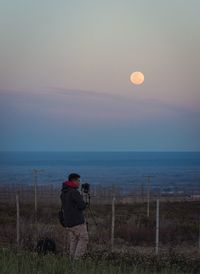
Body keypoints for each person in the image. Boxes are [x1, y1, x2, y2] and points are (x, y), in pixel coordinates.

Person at [60, 173, 88, 261]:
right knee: (84, 239)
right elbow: (82, 206)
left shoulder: (63, 192)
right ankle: (76, 262)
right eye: (78, 181)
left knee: (74, 241)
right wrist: (83, 197)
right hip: (77, 222)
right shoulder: (74, 192)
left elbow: (70, 205)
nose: (79, 183)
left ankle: (71, 262)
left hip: (68, 222)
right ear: (74, 181)